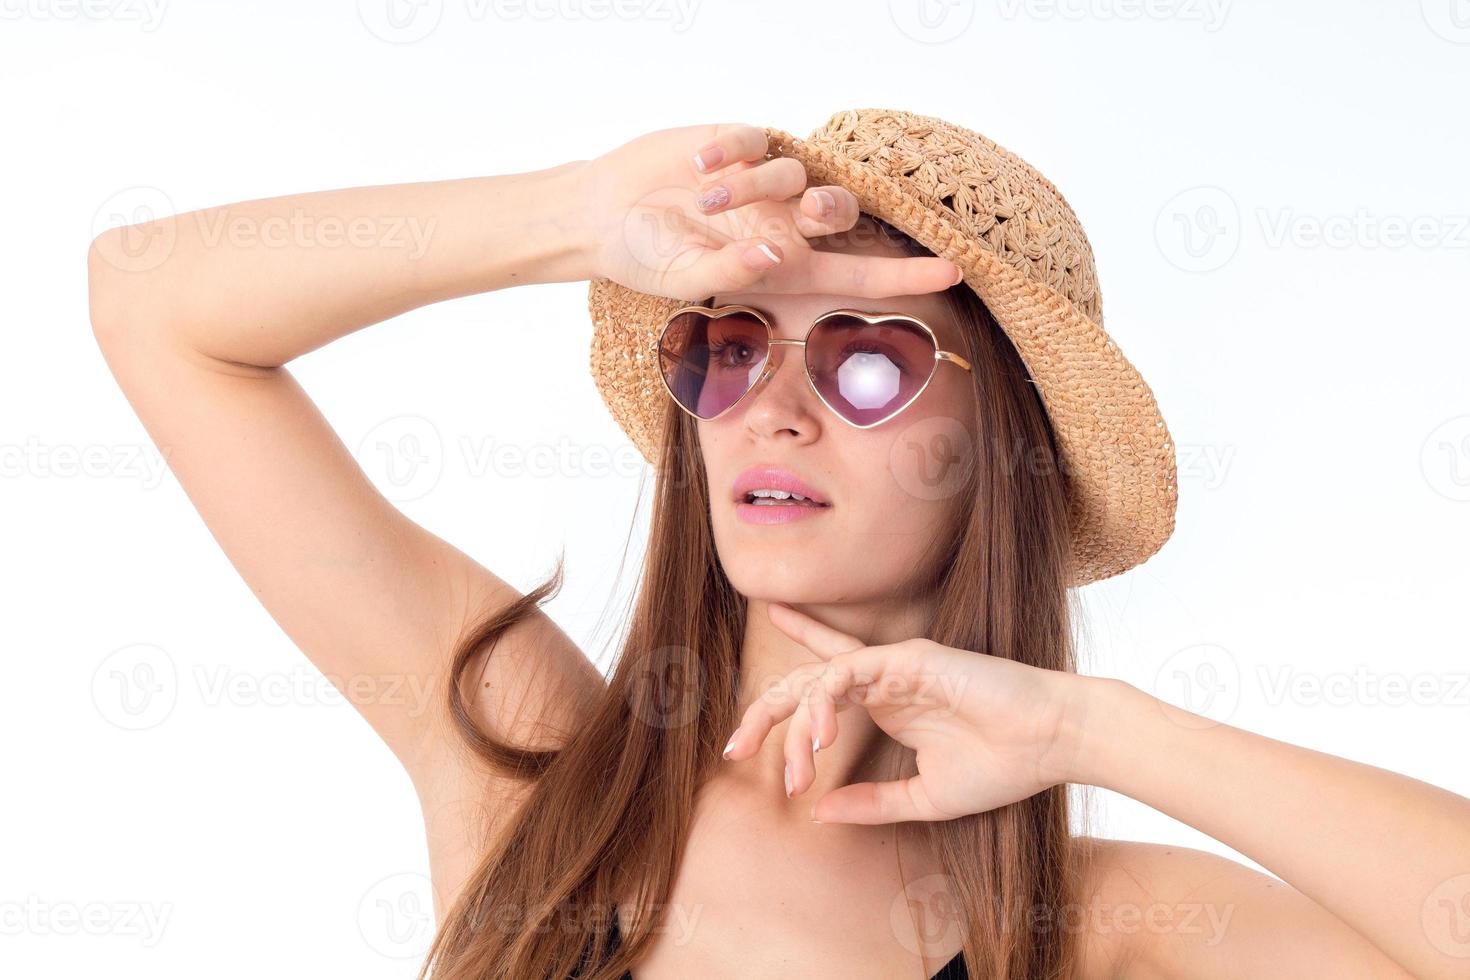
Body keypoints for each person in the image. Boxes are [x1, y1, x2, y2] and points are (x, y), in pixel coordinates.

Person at [87, 112, 1468, 980]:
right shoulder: (533, 773)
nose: (778, 414)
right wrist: (571, 217)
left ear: (1010, 452)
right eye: (729, 347)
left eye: (868, 363)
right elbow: (154, 305)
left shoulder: (1088, 931)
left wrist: (1095, 731)